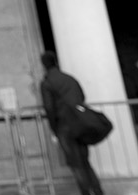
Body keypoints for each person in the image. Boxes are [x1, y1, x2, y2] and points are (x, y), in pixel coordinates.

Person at [39, 51, 105, 195]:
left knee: (75, 163)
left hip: (64, 125)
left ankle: (86, 192)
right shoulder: (69, 79)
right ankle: (98, 191)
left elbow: (49, 108)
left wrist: (54, 128)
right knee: (85, 161)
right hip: (79, 123)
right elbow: (81, 96)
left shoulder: (47, 83)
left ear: (43, 65)